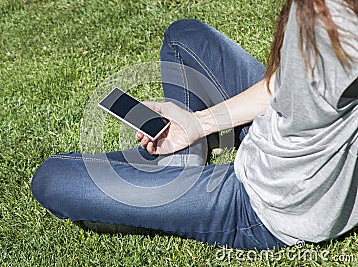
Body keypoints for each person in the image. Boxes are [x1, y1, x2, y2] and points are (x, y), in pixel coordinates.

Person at [31, 0, 358, 250]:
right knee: (183, 37)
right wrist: (197, 124)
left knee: (52, 177)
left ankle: (173, 176)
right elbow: (281, 84)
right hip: (277, 122)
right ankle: (184, 158)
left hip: (271, 203)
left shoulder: (342, 28)